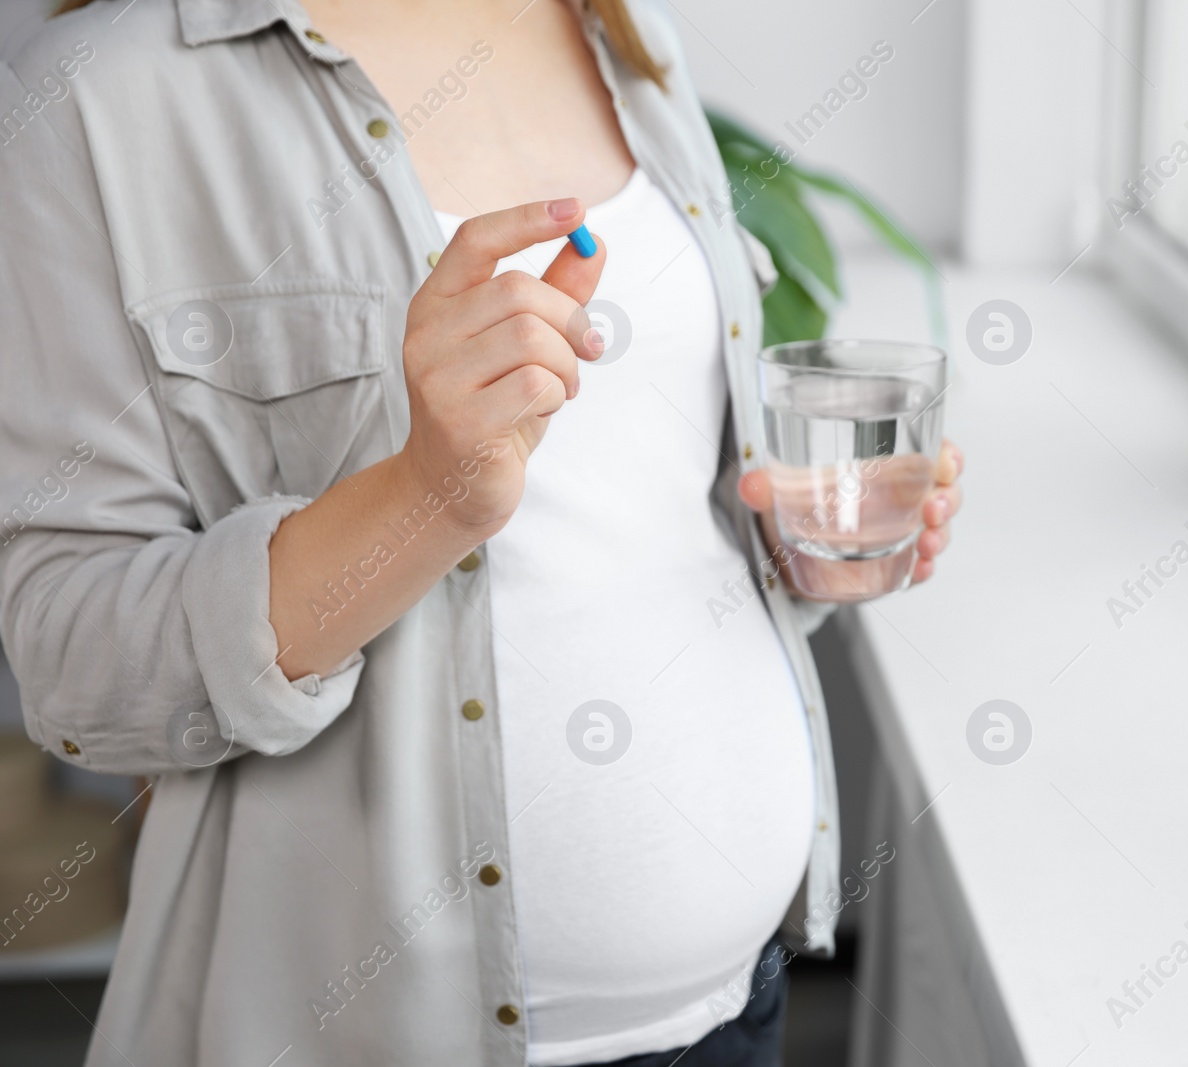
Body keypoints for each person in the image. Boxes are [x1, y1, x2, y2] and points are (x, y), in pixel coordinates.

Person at [0, 0, 964, 1064]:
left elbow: (625, 510)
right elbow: (73, 661)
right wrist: (426, 496)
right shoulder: (93, 92)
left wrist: (793, 547)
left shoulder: (616, 29)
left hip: (737, 1010)